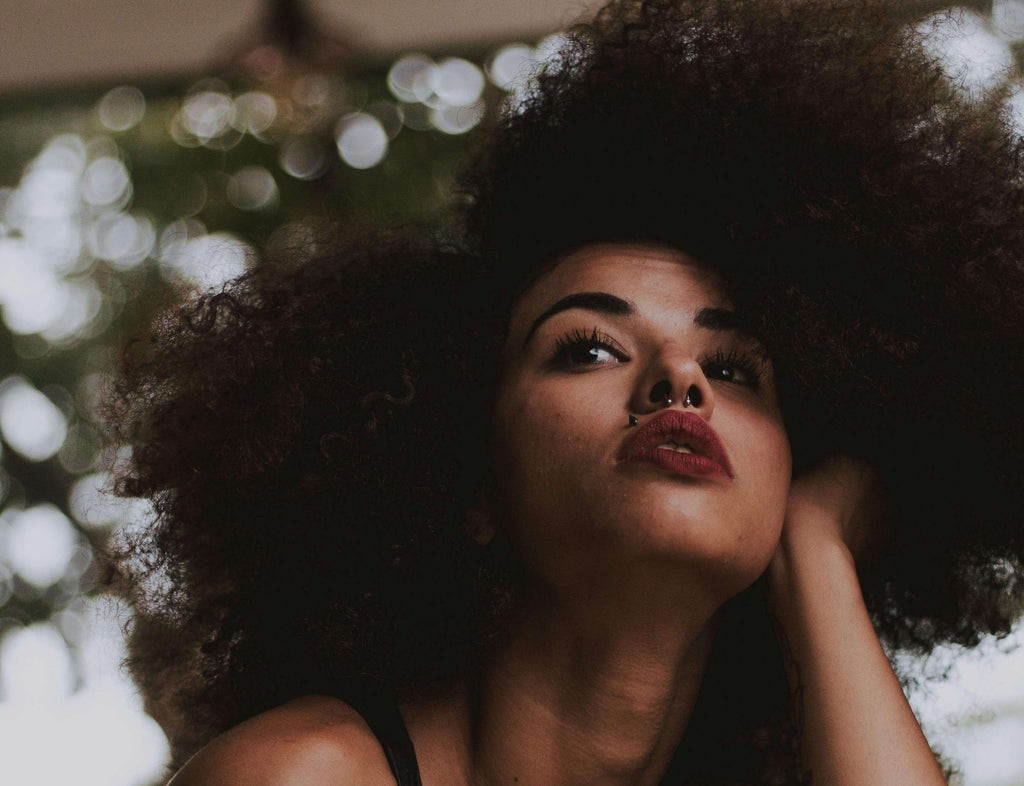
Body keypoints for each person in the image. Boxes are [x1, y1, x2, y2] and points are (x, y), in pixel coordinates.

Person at [104, 0, 1024, 783]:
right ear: (466, 482)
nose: (681, 379)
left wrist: (816, 560)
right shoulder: (309, 772)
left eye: (737, 369)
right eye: (588, 348)